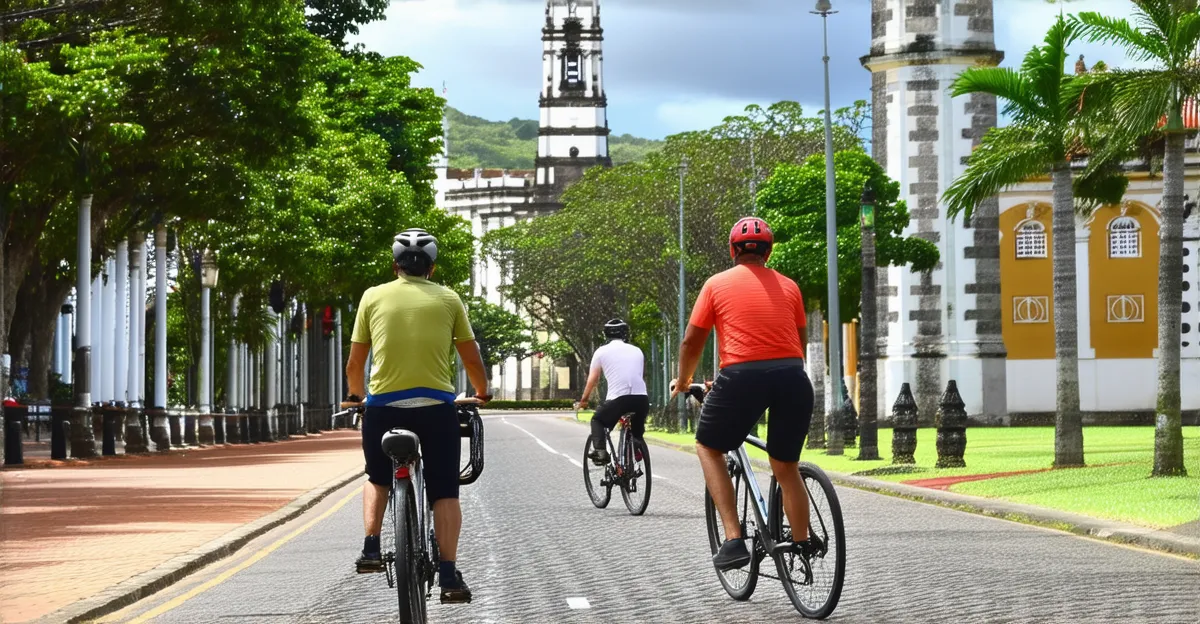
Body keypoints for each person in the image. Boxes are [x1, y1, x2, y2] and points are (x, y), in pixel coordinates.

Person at [344, 228, 491, 604]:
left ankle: (372, 548)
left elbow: (356, 361)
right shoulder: (449, 298)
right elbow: (470, 357)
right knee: (444, 490)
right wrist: (481, 392)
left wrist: (355, 395)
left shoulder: (372, 296)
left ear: (395, 266)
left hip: (382, 409)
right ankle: (447, 573)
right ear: (432, 268)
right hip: (435, 410)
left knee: (377, 477)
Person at [671, 216, 816, 571]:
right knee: (786, 466)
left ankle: (734, 540)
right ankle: (803, 543)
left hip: (741, 378)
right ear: (769, 251)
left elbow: (692, 340)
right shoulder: (790, 286)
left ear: (733, 250)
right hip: (794, 378)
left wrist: (683, 379)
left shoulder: (716, 284)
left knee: (709, 445)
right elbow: (798, 342)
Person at [577, 318, 649, 465]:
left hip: (618, 400)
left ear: (606, 335)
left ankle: (601, 452)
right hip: (642, 399)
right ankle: (636, 446)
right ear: (625, 334)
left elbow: (593, 380)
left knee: (597, 420)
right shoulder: (637, 351)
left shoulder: (601, 352)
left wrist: (584, 400)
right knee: (637, 433)